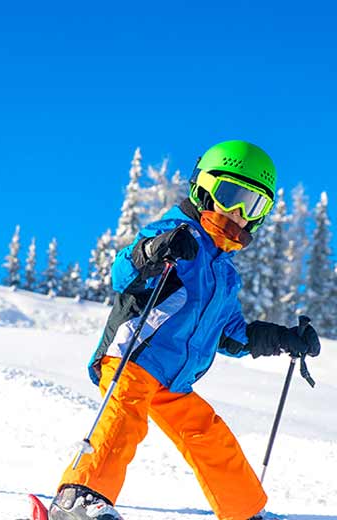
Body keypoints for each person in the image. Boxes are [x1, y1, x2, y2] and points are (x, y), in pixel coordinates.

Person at [48, 140, 321, 520]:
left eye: (253, 205)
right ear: (204, 188)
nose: (239, 213)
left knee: (209, 434)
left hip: (174, 380)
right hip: (133, 359)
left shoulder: (225, 274)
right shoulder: (175, 233)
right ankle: (78, 498)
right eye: (231, 196)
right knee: (124, 419)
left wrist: (282, 337)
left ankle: (244, 512)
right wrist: (154, 251)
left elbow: (231, 334)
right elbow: (122, 274)